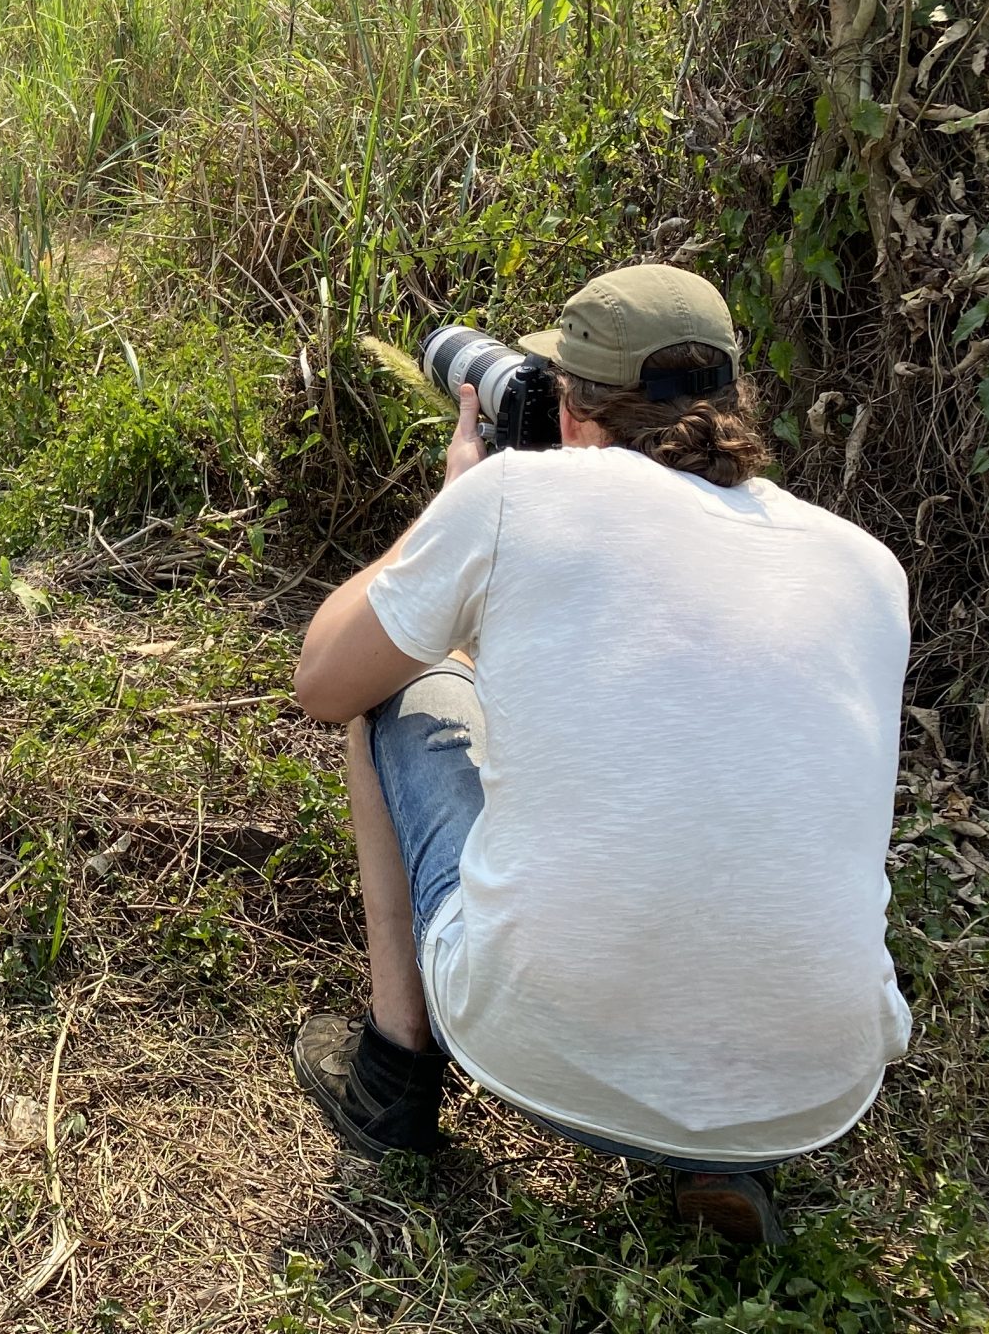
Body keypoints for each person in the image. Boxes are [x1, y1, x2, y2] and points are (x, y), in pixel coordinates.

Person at [287, 264, 911, 1246]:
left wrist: (448, 505)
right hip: (815, 1088)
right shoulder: (866, 564)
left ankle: (392, 1076)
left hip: (536, 1047)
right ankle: (723, 1156)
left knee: (392, 687)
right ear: (735, 404)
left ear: (570, 415)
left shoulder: (511, 500)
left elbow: (322, 680)